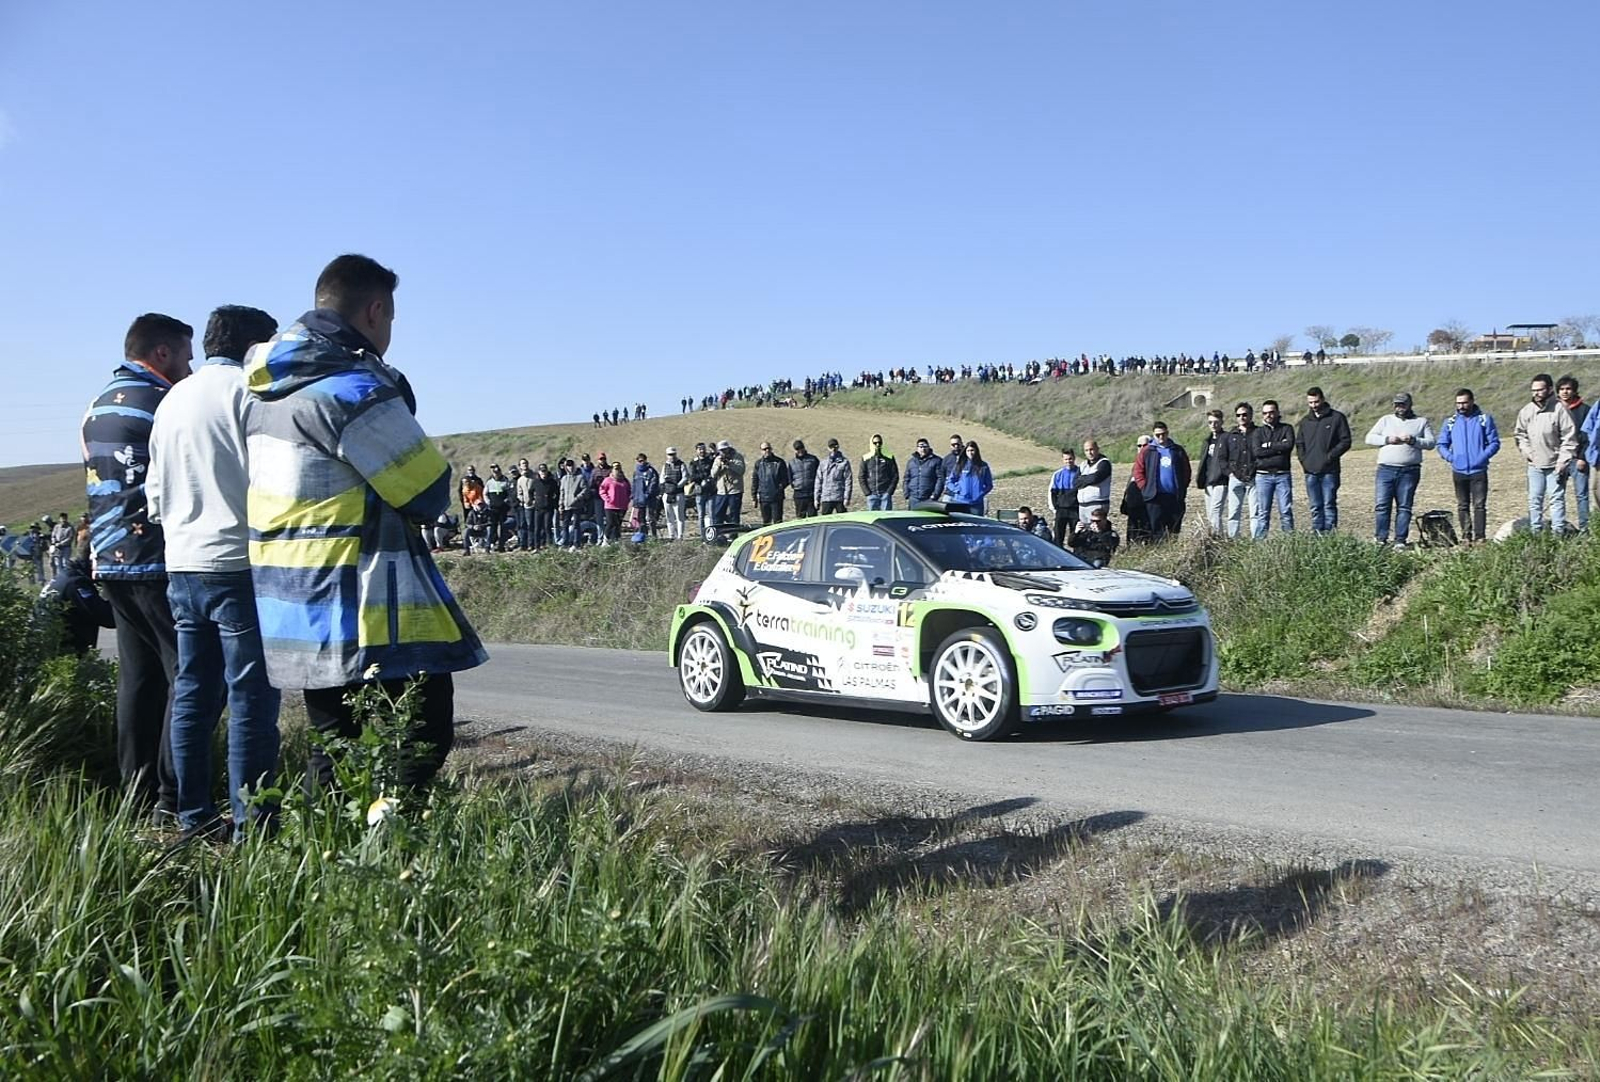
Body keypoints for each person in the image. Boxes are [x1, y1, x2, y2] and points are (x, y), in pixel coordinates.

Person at [243, 254, 485, 793]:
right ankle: (390, 849)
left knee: (334, 749)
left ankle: (311, 861)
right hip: (364, 605)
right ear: (375, 311)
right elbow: (427, 493)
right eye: (392, 319)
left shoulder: (266, 395)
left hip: (295, 602)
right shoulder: (352, 387)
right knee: (420, 736)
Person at [146, 304, 283, 839]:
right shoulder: (251, 392)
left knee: (194, 691)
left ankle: (193, 815)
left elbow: (154, 493)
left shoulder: (172, 399)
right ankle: (253, 822)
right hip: (240, 563)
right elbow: (273, 477)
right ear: (254, 346)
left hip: (182, 562)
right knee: (252, 696)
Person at [82, 312, 192, 815]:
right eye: (186, 356)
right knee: (186, 675)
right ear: (162, 353)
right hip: (155, 555)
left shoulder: (96, 403)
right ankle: (175, 797)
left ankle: (135, 796)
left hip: (108, 557)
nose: (191, 368)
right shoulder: (164, 402)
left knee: (139, 680)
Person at [1365, 392, 1437, 549]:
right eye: (1397, 404)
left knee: (1404, 507)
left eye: (1402, 404)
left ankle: (1400, 540)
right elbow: (1369, 438)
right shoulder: (1385, 420)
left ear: (1410, 405)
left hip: (1409, 471)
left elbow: (1431, 443)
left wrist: (1413, 440)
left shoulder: (1421, 422)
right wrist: (1387, 440)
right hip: (1386, 469)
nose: (1399, 407)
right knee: (1382, 505)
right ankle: (1380, 538)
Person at [1513, 373, 1578, 536]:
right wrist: (1527, 452)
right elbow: (1520, 434)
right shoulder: (1526, 411)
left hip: (1555, 465)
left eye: (1540, 390)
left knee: (1556, 500)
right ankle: (1536, 533)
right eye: (1533, 390)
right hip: (1534, 465)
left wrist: (1563, 461)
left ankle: (1558, 535)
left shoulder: (1560, 410)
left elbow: (1569, 438)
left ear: (1549, 389)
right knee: (1535, 500)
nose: (1536, 393)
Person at [1435, 388, 1500, 543]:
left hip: (1479, 470)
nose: (1461, 406)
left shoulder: (1484, 420)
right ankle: (1466, 537)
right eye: (1458, 403)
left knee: (1479, 505)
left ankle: (1480, 537)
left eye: (1464, 403)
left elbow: (1495, 443)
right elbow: (1441, 444)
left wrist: (1482, 457)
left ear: (1472, 401)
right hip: (1459, 470)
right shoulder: (1450, 422)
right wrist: (1451, 458)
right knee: (1462, 505)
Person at [1295, 386, 1352, 534]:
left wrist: (1330, 456)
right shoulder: (1305, 421)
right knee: (1315, 505)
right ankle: (1317, 533)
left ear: (1323, 399)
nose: (1314, 405)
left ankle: (1330, 535)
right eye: (1310, 402)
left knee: (1328, 504)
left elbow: (1345, 441)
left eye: (1316, 401)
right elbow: (1300, 443)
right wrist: (1304, 460)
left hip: (1329, 471)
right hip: (1310, 471)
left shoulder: (1336, 418)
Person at [34, 555, 116, 658]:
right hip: (64, 655)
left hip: (49, 649)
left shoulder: (65, 576)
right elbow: (108, 617)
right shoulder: (76, 583)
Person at [1249, 400, 1296, 538]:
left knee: (1286, 511)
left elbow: (1288, 446)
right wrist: (1278, 447)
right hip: (1263, 477)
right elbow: (1257, 452)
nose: (1268, 415)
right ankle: (1260, 545)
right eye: (1265, 413)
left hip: (1283, 475)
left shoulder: (1287, 428)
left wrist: (1268, 445)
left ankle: (1290, 543)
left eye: (1271, 412)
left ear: (1277, 412)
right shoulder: (1258, 432)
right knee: (1263, 513)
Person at [1137, 422, 1191, 540]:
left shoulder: (1177, 450)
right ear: (1153, 435)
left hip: (1174, 496)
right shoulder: (1147, 451)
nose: (1161, 437)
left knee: (1174, 529)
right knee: (1157, 530)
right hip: (1154, 497)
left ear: (1167, 433)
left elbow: (1186, 471)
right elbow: (1138, 471)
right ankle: (1160, 553)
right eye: (1158, 435)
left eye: (1163, 434)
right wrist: (1145, 487)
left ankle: (1172, 552)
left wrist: (1182, 487)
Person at [1556, 376, 1590, 531]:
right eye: (1562, 389)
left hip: (1577, 459)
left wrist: (1583, 457)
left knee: (1581, 495)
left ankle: (1585, 529)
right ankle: (1559, 527)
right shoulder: (1554, 408)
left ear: (1575, 391)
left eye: (1568, 389)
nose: (1565, 392)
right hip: (1559, 460)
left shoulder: (1584, 410)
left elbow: (1589, 436)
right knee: (1557, 495)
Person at [1195, 410, 1232, 536]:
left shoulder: (1227, 438)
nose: (1213, 425)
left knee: (1215, 512)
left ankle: (1216, 540)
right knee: (1210, 514)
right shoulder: (1207, 441)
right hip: (1208, 481)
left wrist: (1227, 473)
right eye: (1210, 422)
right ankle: (1217, 538)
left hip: (1221, 480)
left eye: (1216, 422)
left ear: (1222, 422)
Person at [944, 440, 993, 514]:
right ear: (965, 452)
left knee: (976, 524)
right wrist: (957, 489)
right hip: (960, 501)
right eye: (968, 451)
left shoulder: (983, 466)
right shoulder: (960, 465)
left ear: (976, 451)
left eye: (972, 450)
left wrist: (980, 493)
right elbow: (950, 481)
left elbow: (989, 485)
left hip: (976, 503)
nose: (970, 453)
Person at [750, 441, 791, 525]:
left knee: (778, 522)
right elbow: (755, 480)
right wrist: (754, 497)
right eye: (764, 449)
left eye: (768, 448)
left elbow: (786, 479)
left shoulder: (779, 462)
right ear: (761, 451)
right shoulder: (758, 464)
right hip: (764, 498)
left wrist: (779, 489)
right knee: (766, 522)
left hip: (776, 498)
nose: (767, 451)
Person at [1048, 448, 1081, 545]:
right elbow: (1053, 492)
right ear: (1063, 460)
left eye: (1070, 459)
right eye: (1066, 459)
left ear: (1074, 458)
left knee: (1075, 536)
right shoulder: (1058, 474)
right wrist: (1055, 507)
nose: (1068, 461)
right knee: (1058, 536)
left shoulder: (1080, 473)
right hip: (1061, 509)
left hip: (1075, 509)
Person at [710, 440, 746, 526]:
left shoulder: (737, 457)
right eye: (721, 450)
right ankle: (719, 536)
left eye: (724, 450)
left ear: (728, 449)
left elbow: (741, 470)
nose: (723, 452)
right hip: (721, 491)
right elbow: (713, 474)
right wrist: (719, 465)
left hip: (734, 490)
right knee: (718, 515)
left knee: (734, 515)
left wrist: (729, 464)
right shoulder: (718, 459)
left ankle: (733, 535)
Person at [859, 434, 899, 511]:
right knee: (873, 519)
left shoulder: (889, 457)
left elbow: (895, 476)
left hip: (885, 495)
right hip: (872, 495)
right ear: (871, 443)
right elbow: (861, 476)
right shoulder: (866, 458)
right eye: (875, 443)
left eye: (879, 442)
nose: (877, 444)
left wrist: (889, 492)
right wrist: (867, 493)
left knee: (886, 519)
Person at [1076, 440, 1113, 521]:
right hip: (1082, 506)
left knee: (1097, 530)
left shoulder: (1104, 463)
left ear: (1097, 449)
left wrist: (1082, 479)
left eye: (1091, 449)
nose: (1089, 452)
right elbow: (1075, 482)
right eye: (1086, 450)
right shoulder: (1083, 465)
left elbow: (1096, 478)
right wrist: (1088, 479)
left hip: (1097, 504)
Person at [558, 459, 591, 547]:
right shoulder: (564, 478)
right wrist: (560, 505)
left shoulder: (580, 477)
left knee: (576, 525)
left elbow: (585, 490)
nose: (570, 467)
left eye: (572, 465)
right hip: (566, 505)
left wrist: (577, 498)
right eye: (568, 466)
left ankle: (577, 543)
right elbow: (562, 492)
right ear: (566, 467)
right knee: (565, 525)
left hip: (576, 505)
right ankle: (565, 542)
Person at [902, 437, 944, 506]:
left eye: (925, 446)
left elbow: (940, 479)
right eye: (921, 447)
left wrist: (935, 494)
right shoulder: (911, 462)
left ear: (928, 447)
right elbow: (906, 478)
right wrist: (906, 494)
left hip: (928, 498)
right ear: (917, 448)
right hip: (913, 498)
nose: (923, 449)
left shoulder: (936, 461)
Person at [815, 438, 853, 513]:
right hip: (826, 498)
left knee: (843, 522)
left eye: (835, 446)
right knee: (826, 522)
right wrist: (816, 499)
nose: (833, 449)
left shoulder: (844, 462)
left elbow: (848, 481)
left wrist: (847, 498)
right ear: (828, 448)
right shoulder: (823, 463)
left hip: (840, 498)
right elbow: (818, 481)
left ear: (838, 447)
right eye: (831, 447)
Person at [660, 447, 689, 539]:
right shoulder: (665, 466)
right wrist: (665, 485)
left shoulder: (681, 464)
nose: (671, 456)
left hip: (678, 494)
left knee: (679, 516)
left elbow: (685, 477)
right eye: (669, 454)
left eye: (673, 454)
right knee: (669, 517)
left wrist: (677, 486)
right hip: (667, 493)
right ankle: (671, 535)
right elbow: (661, 478)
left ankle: (680, 536)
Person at [482, 464, 511, 551]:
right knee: (492, 527)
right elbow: (485, 493)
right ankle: (490, 545)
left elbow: (510, 492)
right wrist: (488, 502)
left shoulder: (505, 481)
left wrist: (506, 500)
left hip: (503, 508)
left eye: (498, 472)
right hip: (493, 508)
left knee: (503, 527)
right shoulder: (489, 482)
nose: (496, 474)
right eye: (494, 472)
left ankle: (501, 545)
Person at [789, 439, 820, 518]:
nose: (800, 450)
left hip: (811, 493)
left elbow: (819, 474)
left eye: (801, 448)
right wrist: (794, 485)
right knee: (800, 517)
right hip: (799, 494)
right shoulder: (792, 462)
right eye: (797, 449)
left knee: (813, 517)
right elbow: (789, 476)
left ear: (804, 448)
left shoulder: (813, 459)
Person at [687, 443, 715, 532]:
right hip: (699, 491)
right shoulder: (693, 462)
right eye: (699, 449)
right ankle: (703, 534)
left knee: (711, 514)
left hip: (711, 491)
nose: (702, 451)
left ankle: (712, 533)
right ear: (696, 451)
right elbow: (692, 476)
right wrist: (703, 476)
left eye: (703, 449)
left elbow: (714, 471)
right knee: (701, 515)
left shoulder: (710, 460)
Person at [631, 453, 660, 536]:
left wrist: (647, 494)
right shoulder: (636, 472)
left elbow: (653, 483)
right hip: (639, 500)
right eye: (639, 461)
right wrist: (633, 495)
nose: (641, 463)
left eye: (643, 461)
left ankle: (654, 536)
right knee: (641, 519)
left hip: (650, 499)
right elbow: (634, 485)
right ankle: (644, 535)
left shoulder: (651, 471)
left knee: (651, 518)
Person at [599, 464, 630, 540]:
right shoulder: (607, 480)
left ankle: (616, 540)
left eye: (618, 469)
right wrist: (608, 499)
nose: (617, 470)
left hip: (622, 506)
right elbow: (602, 491)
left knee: (618, 524)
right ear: (612, 470)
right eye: (615, 469)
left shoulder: (624, 480)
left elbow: (629, 491)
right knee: (610, 523)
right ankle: (605, 539)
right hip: (610, 506)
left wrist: (627, 500)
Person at [936, 434, 965, 499]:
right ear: (950, 446)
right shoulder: (946, 459)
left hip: (964, 494)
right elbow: (942, 477)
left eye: (958, 444)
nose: (956, 446)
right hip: (949, 494)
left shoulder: (968, 457)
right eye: (953, 445)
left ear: (961, 443)